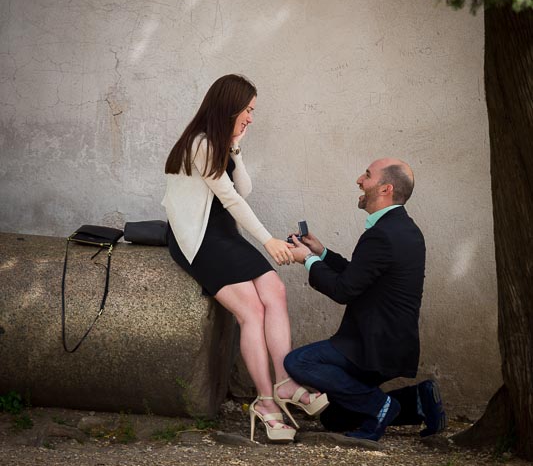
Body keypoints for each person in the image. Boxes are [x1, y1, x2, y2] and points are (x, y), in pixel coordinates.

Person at [162, 74, 329, 443]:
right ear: (229, 106)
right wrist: (267, 240)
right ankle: (266, 401)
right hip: (199, 238)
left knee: (275, 293)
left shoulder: (220, 144)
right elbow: (233, 199)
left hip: (223, 232)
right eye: (248, 109)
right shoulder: (201, 144)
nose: (252, 117)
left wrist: (236, 147)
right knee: (251, 310)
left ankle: (285, 383)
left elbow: (244, 188)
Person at [286, 158, 446, 442]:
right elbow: (358, 277)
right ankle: (418, 399)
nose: (359, 180)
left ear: (386, 188)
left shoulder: (383, 234)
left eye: (367, 175)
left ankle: (380, 405)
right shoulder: (402, 229)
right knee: (335, 418)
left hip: (371, 347)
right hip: (393, 344)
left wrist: (307, 259)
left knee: (299, 362)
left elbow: (343, 290)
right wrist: (321, 252)